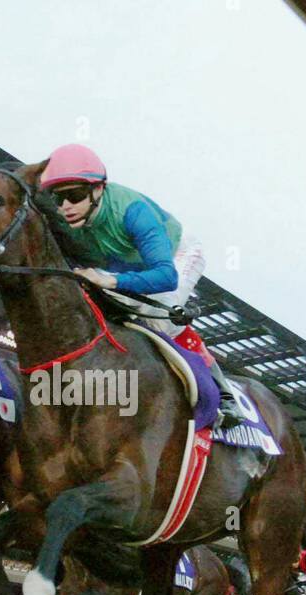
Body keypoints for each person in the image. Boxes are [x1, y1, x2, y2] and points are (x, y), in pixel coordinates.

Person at [37, 143, 242, 429]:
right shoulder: (69, 219)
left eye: (74, 195)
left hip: (174, 257)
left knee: (161, 316)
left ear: (99, 189)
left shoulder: (134, 212)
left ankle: (224, 394)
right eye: (58, 199)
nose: (65, 206)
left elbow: (165, 277)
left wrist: (110, 281)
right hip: (126, 264)